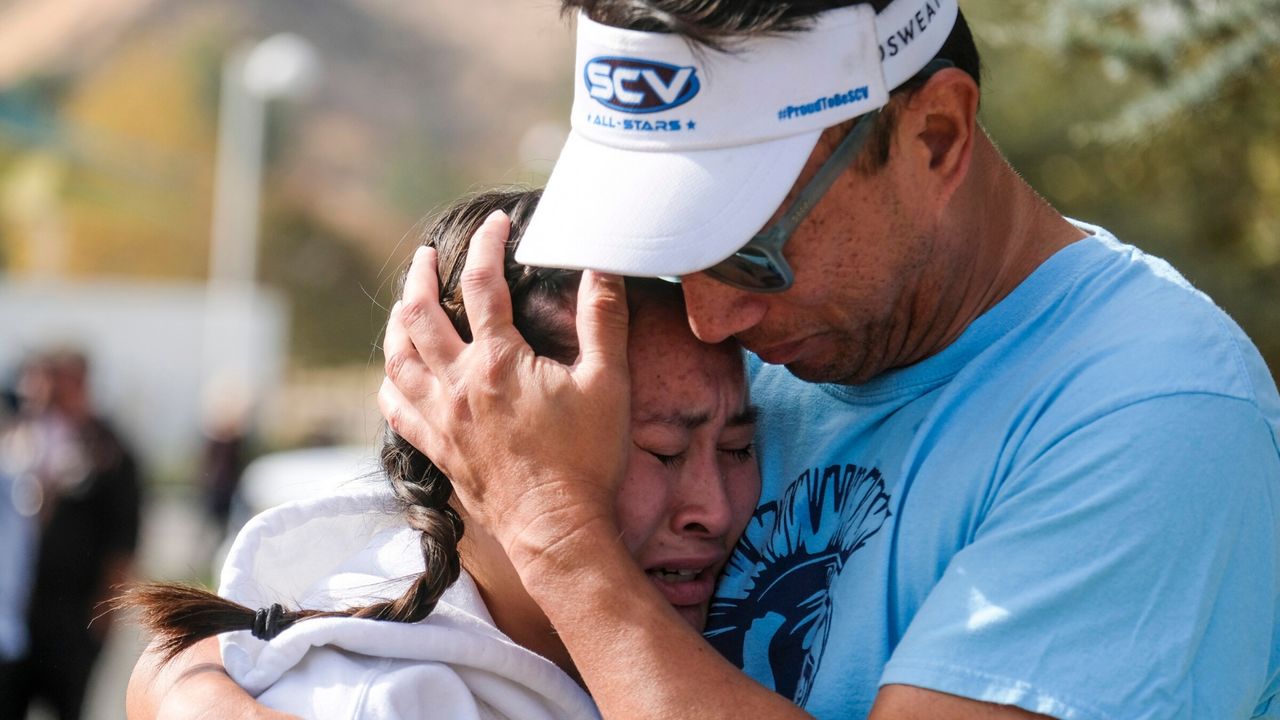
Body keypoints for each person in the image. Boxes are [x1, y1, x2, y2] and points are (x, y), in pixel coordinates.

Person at [375, 1, 1280, 719]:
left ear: (936, 135)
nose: (710, 318)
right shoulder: (766, 339)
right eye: (675, 249)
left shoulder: (1153, 415)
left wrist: (561, 539)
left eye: (750, 252)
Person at [123, 188, 761, 718]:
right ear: (463, 441)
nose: (713, 510)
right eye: (662, 451)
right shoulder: (391, 700)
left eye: (739, 447)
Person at [0, 349, 143, 720]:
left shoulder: (109, 451)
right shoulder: (14, 439)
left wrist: (103, 617)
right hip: (14, 616)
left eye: (55, 382)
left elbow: (123, 542)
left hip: (71, 618)